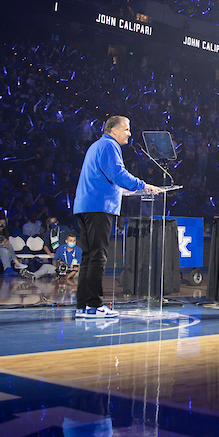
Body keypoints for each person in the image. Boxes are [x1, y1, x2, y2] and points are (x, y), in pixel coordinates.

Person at [73, 116, 161, 319]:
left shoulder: (97, 146)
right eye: (127, 129)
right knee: (97, 257)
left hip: (85, 206)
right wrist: (143, 185)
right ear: (113, 130)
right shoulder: (110, 146)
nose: (129, 133)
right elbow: (118, 174)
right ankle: (94, 305)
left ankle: (84, 305)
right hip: (99, 207)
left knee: (88, 257)